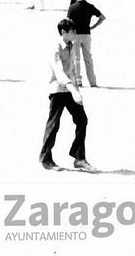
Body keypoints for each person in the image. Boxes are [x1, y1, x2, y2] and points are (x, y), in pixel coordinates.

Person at [39, 20, 96, 172]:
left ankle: (79, 158)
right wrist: (73, 90)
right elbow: (59, 71)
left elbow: (71, 70)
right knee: (53, 124)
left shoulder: (71, 45)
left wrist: (77, 89)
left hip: (71, 90)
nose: (74, 34)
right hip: (58, 90)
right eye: (72, 31)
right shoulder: (55, 47)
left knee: (82, 120)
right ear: (63, 32)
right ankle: (45, 158)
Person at [66, 0, 105, 88]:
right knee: (88, 58)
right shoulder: (90, 6)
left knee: (76, 58)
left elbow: (68, 22)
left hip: (75, 34)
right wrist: (93, 26)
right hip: (87, 34)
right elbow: (102, 17)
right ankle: (92, 81)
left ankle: (78, 80)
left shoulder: (72, 7)